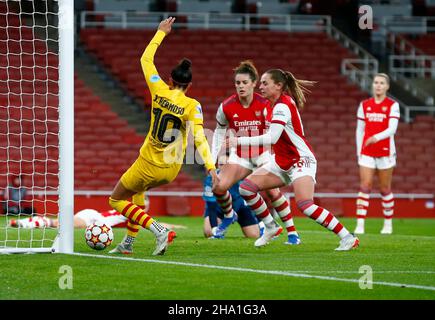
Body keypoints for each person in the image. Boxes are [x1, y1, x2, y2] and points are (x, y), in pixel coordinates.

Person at [108, 17, 218, 256]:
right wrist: (210, 167)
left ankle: (159, 230)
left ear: (170, 80)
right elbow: (199, 137)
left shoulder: (158, 89)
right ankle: (128, 242)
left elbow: (145, 60)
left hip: (148, 162)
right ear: (189, 85)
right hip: (171, 169)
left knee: (116, 200)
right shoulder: (193, 105)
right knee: (137, 193)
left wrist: (160, 33)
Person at [226, 69, 360, 251]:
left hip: (300, 159)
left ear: (278, 86)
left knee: (305, 205)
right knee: (246, 188)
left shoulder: (283, 105)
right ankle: (271, 227)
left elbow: (272, 138)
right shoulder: (268, 106)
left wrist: (238, 141)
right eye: (261, 83)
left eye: (265, 83)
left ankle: (347, 237)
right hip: (281, 160)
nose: (261, 86)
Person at [211, 60, 300, 245]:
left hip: (263, 154)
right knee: (218, 187)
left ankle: (293, 233)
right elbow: (219, 132)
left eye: (244, 82)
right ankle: (230, 216)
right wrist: (213, 160)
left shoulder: (266, 104)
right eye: (237, 83)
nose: (241, 86)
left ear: (253, 83)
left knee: (273, 193)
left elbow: (272, 135)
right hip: (241, 156)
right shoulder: (226, 106)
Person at [354, 73, 400, 235]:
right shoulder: (364, 105)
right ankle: (360, 225)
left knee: (385, 189)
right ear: (372, 85)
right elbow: (359, 131)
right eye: (376, 82)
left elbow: (392, 129)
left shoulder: (392, 105)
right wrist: (359, 151)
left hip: (386, 152)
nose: (378, 85)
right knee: (365, 186)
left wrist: (376, 137)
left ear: (387, 86)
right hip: (367, 153)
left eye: (382, 83)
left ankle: (388, 224)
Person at [8, 194, 186, 232]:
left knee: (60, 223)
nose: (144, 204)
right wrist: (174, 226)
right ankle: (24, 223)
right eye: (143, 201)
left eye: (147, 202)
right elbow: (155, 224)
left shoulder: (133, 213)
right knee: (60, 225)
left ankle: (25, 223)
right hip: (94, 218)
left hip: (94, 218)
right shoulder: (133, 212)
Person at [203, 154, 273, 239]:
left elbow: (251, 199)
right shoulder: (211, 179)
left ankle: (264, 228)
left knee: (254, 235)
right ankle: (219, 229)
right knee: (209, 232)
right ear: (217, 165)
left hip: (240, 207)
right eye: (221, 164)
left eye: (227, 165)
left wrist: (260, 223)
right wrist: (214, 229)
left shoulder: (241, 176)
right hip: (219, 210)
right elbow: (211, 206)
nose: (224, 167)